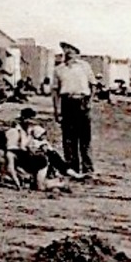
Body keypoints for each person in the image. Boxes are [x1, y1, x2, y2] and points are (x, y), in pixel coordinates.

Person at [53, 41, 95, 177]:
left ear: (77, 51)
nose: (68, 51)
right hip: (67, 102)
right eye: (65, 48)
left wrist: (90, 101)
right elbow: (55, 91)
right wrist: (56, 110)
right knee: (69, 138)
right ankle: (72, 168)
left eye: (71, 48)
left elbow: (93, 85)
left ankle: (88, 168)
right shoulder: (59, 69)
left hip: (82, 101)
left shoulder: (85, 66)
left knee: (84, 137)